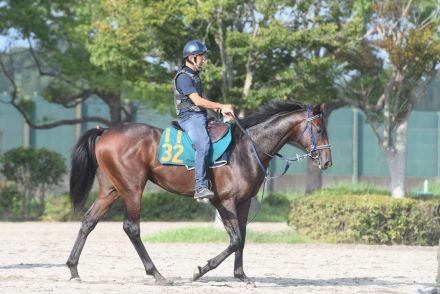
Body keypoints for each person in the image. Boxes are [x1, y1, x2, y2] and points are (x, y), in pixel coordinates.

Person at [173, 40, 234, 201]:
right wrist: (220, 105)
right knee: (203, 145)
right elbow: (198, 101)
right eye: (201, 56)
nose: (204, 60)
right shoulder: (183, 77)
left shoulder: (194, 76)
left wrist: (220, 111)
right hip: (189, 118)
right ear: (192, 57)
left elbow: (201, 102)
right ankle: (200, 187)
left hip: (200, 116)